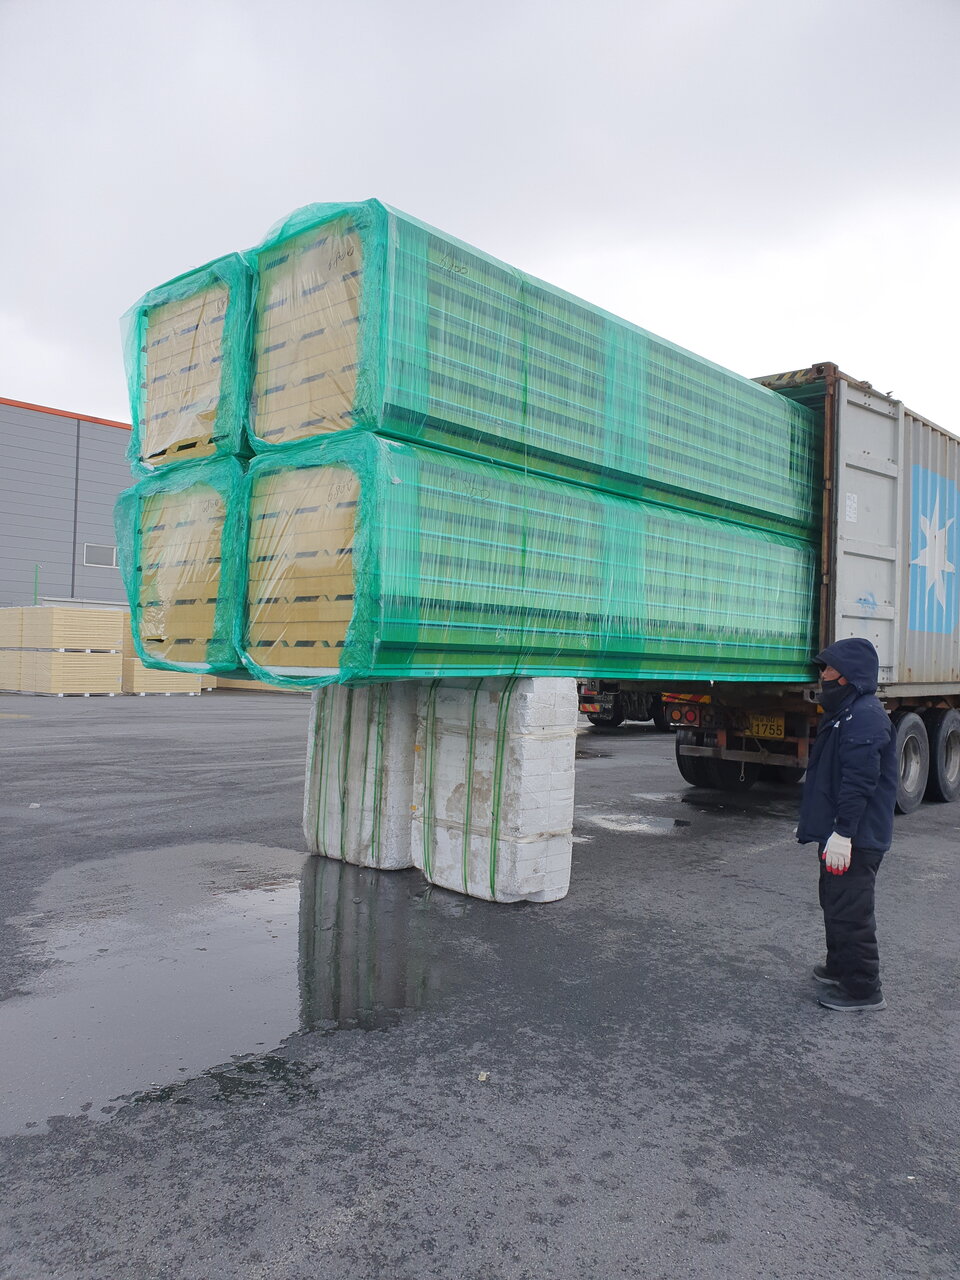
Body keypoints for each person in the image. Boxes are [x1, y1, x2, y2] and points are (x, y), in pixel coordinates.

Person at [796, 636, 898, 1011]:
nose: (822, 674)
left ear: (848, 675)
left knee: (852, 912)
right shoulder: (845, 712)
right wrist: (815, 823)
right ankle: (840, 966)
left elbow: (858, 781)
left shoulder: (865, 716)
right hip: (838, 833)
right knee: (834, 901)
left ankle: (863, 989)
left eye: (829, 668)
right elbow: (828, 776)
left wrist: (843, 833)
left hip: (857, 837)